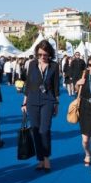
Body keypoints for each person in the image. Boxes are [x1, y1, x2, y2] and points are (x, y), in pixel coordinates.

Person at [20, 40, 59, 172]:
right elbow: (28, 84)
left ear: (49, 54)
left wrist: (56, 104)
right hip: (32, 101)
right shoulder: (32, 64)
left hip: (48, 100)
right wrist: (24, 102)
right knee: (35, 130)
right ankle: (40, 159)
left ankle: (47, 158)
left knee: (44, 130)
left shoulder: (54, 66)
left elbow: (56, 87)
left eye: (45, 54)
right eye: (40, 54)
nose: (43, 57)